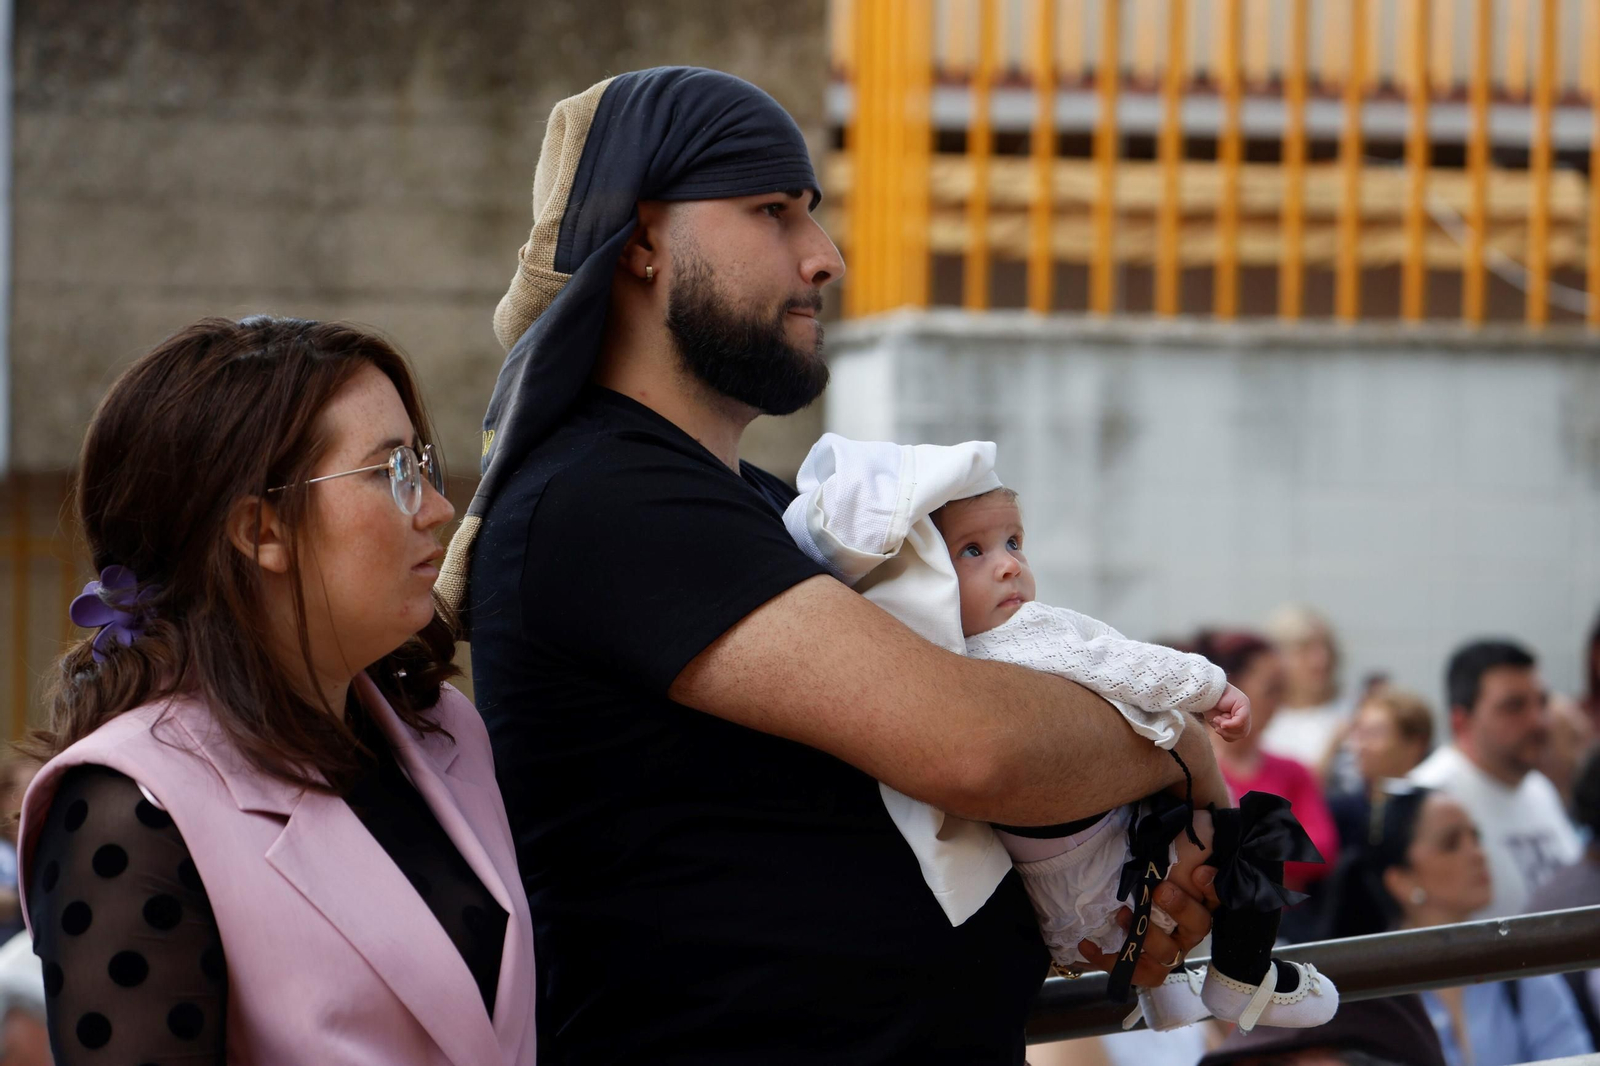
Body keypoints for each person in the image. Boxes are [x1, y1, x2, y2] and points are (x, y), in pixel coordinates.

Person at [443, 67, 1219, 1064]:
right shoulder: (606, 498)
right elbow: (979, 744)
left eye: (811, 212)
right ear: (641, 240)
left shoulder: (754, 508)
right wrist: (1179, 734)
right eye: (772, 211)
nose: (825, 257)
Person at [16, 317, 536, 1064]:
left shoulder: (443, 731)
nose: (435, 506)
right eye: (391, 472)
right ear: (261, 530)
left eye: (422, 462)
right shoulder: (126, 805)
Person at [782, 436, 1335, 1032]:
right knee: (1255, 829)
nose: (1009, 564)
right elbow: (1123, 663)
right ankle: (1242, 976)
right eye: (972, 551)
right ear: (923, 575)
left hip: (1051, 912)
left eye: (1014, 542)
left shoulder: (910, 664)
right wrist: (1211, 687)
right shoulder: (1025, 635)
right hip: (1117, 871)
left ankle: (1170, 996)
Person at [1321, 785, 1593, 1066]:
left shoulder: (1520, 965)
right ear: (1401, 880)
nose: (1477, 852)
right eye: (1451, 842)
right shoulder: (1368, 991)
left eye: (1476, 836)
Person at [1409, 639, 1581, 916]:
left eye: (1542, 702)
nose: (1538, 720)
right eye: (1514, 706)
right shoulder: (1428, 798)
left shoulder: (1538, 787)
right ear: (1460, 721)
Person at [1195, 631, 1341, 898]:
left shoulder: (1293, 770)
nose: (1279, 703)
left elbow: (1323, 849)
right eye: (1271, 690)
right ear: (1227, 690)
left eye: (1282, 691)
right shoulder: (1185, 767)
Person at [1328, 688, 1433, 856]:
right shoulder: (1338, 811)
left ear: (1415, 744)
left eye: (1375, 734)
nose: (1361, 746)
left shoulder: (1433, 812)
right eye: (1359, 733)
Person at [1262, 605, 1353, 784]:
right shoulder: (1263, 719)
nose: (1321, 660)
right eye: (1304, 650)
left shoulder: (1355, 710)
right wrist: (1332, 747)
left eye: (1327, 647)